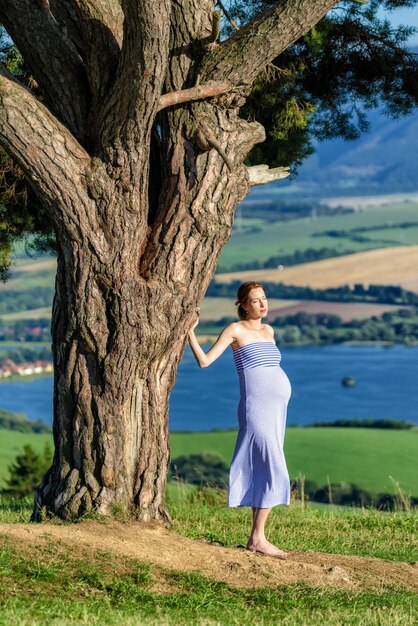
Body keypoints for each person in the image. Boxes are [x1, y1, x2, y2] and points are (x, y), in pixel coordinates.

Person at [188, 281, 291, 558]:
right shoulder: (235, 330)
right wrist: (190, 333)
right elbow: (205, 361)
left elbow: (271, 369)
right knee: (273, 466)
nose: (262, 304)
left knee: (266, 465)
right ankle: (258, 538)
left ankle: (257, 537)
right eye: (255, 300)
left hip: (277, 409)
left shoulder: (269, 331)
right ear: (243, 305)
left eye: (264, 298)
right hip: (256, 409)